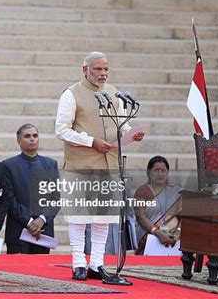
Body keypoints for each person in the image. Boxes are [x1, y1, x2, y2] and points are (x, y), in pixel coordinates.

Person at [55, 51, 145, 285]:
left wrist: (131, 133)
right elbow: (61, 130)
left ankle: (96, 263)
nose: (103, 73)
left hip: (109, 165)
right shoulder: (71, 94)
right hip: (80, 164)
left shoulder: (114, 94)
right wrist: (90, 141)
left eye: (106, 69)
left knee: (102, 218)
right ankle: (78, 263)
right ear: (84, 69)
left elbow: (121, 124)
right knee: (79, 216)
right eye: (98, 69)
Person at [2, 124, 59, 254]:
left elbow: (55, 199)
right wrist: (30, 221)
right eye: (27, 136)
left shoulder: (50, 164)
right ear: (18, 140)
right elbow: (9, 199)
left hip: (43, 232)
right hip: (18, 231)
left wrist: (42, 219)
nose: (32, 139)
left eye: (35, 136)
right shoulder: (8, 165)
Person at [134, 156, 182, 255]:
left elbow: (183, 215)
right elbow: (140, 216)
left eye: (163, 170)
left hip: (173, 236)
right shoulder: (142, 191)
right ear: (149, 172)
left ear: (167, 172)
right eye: (156, 170)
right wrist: (157, 232)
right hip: (147, 236)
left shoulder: (176, 191)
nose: (160, 174)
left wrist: (177, 232)